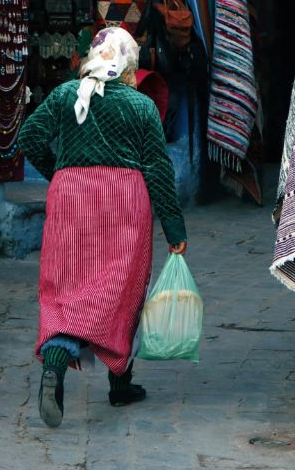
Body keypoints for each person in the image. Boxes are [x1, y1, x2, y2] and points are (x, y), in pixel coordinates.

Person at [18, 27, 188, 428]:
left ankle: (55, 365)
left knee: (66, 288)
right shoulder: (141, 106)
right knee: (120, 291)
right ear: (128, 63)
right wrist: (174, 229)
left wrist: (59, 173)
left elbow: (28, 137)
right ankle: (119, 383)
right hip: (124, 203)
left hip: (70, 198)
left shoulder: (63, 96)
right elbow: (158, 171)